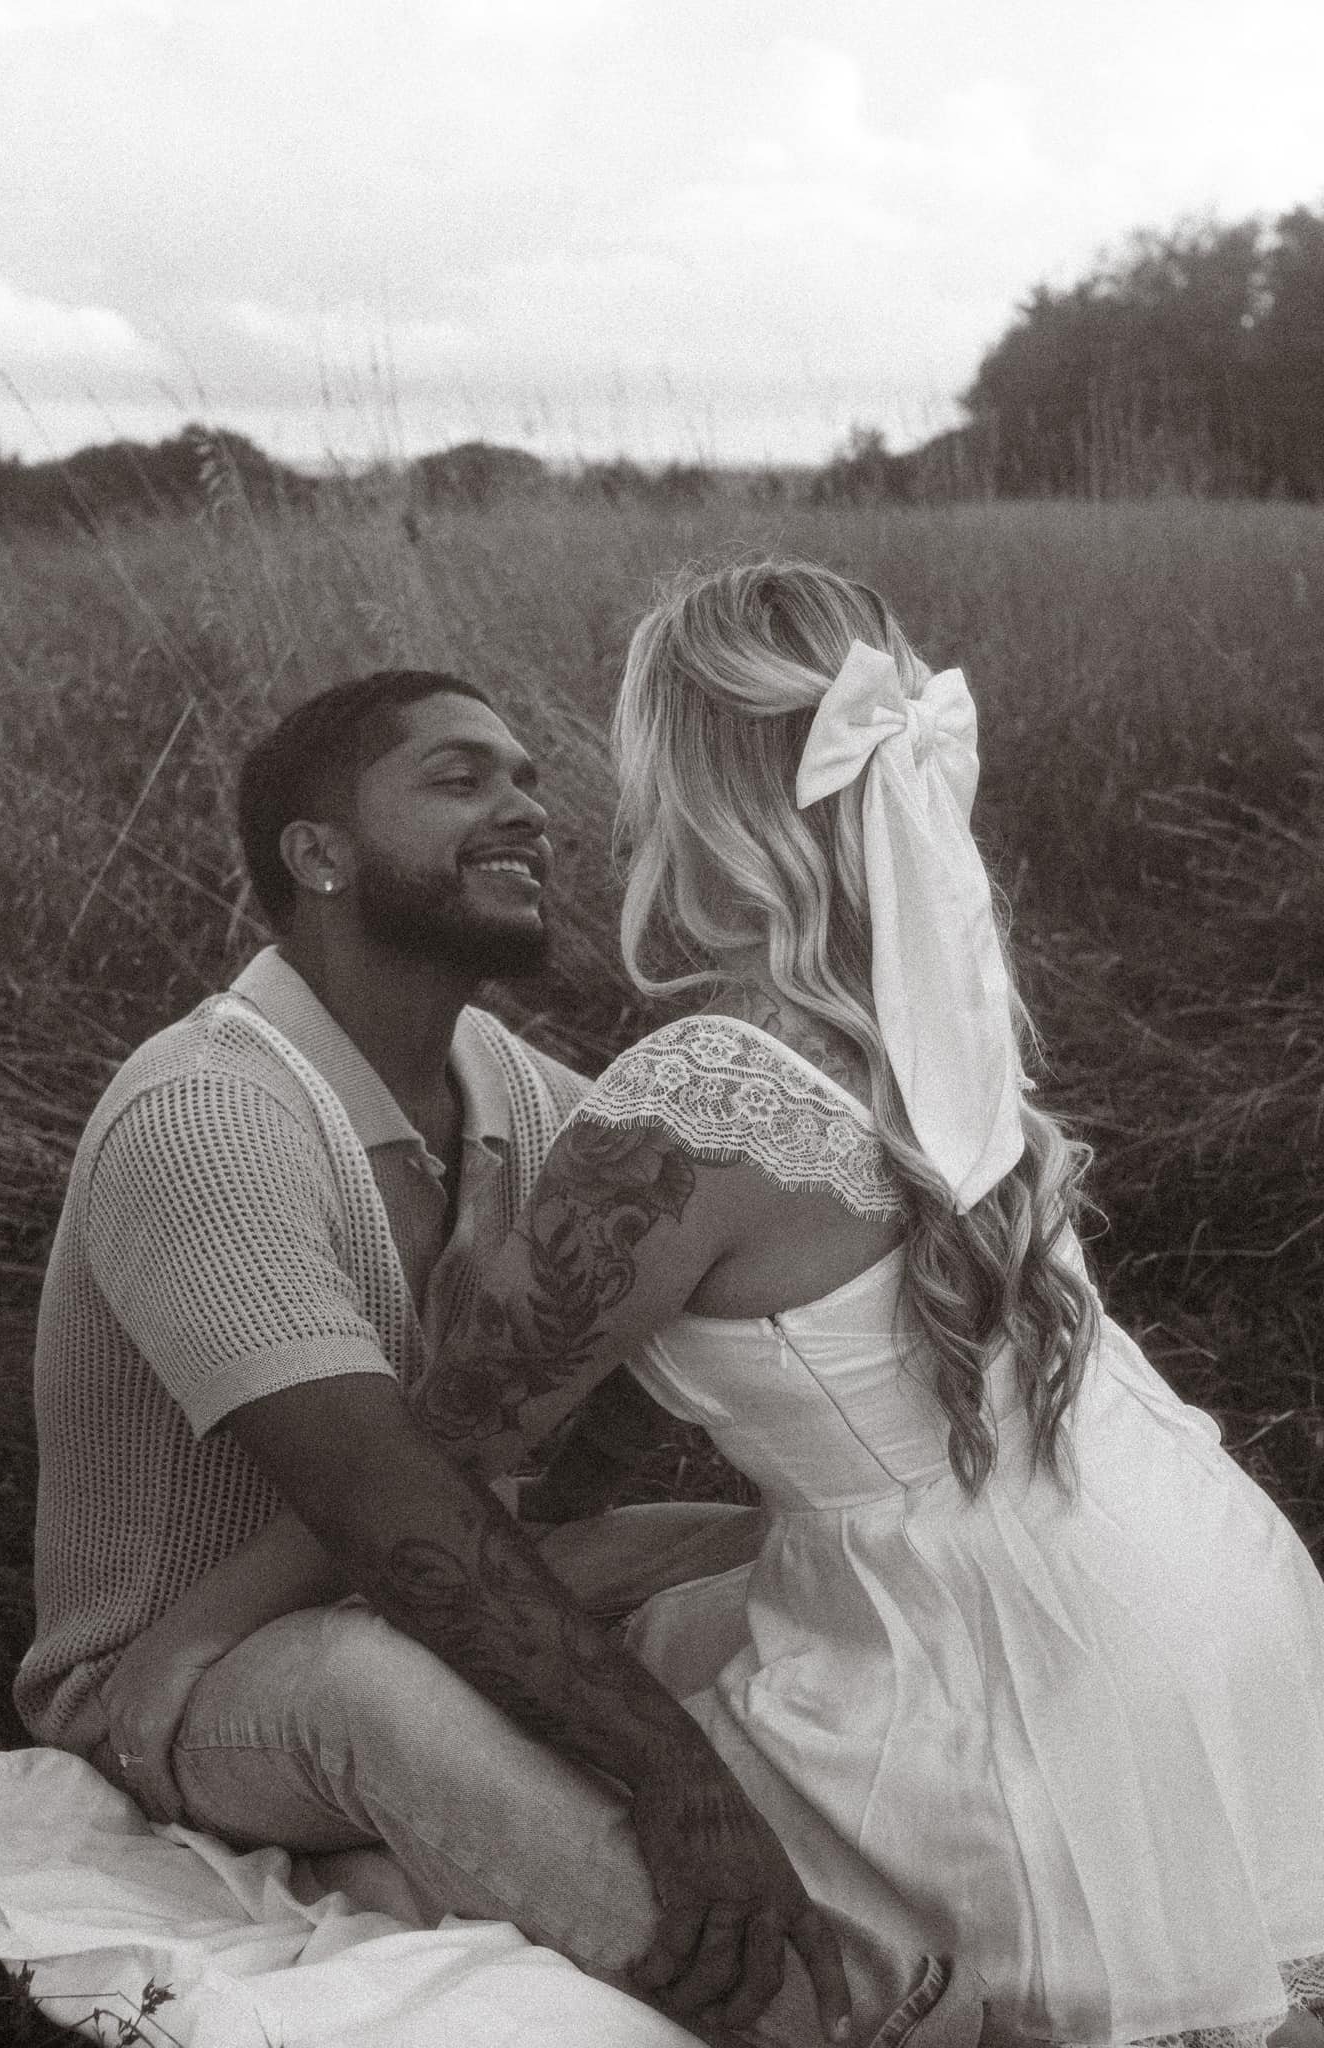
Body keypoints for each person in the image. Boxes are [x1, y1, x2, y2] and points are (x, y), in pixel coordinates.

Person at [397, 564, 1324, 2048]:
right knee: (670, 1625)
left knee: (504, 1810)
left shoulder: (696, 1098)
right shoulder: (938, 1008)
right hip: (1205, 1592)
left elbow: (450, 1440)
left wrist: (470, 1247)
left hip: (994, 1683)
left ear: (686, 790)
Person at [15, 668, 983, 2047]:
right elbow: (384, 1503)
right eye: (461, 780)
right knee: (371, 1691)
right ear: (321, 853)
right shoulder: (207, 1116)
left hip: (415, 1600)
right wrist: (667, 1770)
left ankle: (989, 1897)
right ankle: (837, 2015)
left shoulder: (506, 1081)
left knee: (802, 1548)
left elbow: (698, 1281)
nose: (527, 810)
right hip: (185, 1679)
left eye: (529, 780)